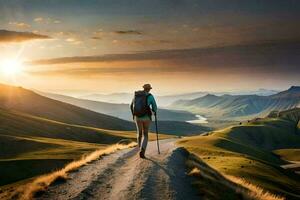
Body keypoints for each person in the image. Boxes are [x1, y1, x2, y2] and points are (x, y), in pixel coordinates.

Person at [130, 84, 157, 158]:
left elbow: (131, 106)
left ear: (143, 88)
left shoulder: (137, 95)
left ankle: (139, 148)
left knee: (139, 133)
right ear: (149, 89)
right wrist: (154, 112)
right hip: (146, 118)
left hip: (137, 117)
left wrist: (133, 115)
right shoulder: (150, 96)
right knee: (145, 134)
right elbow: (155, 107)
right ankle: (143, 150)